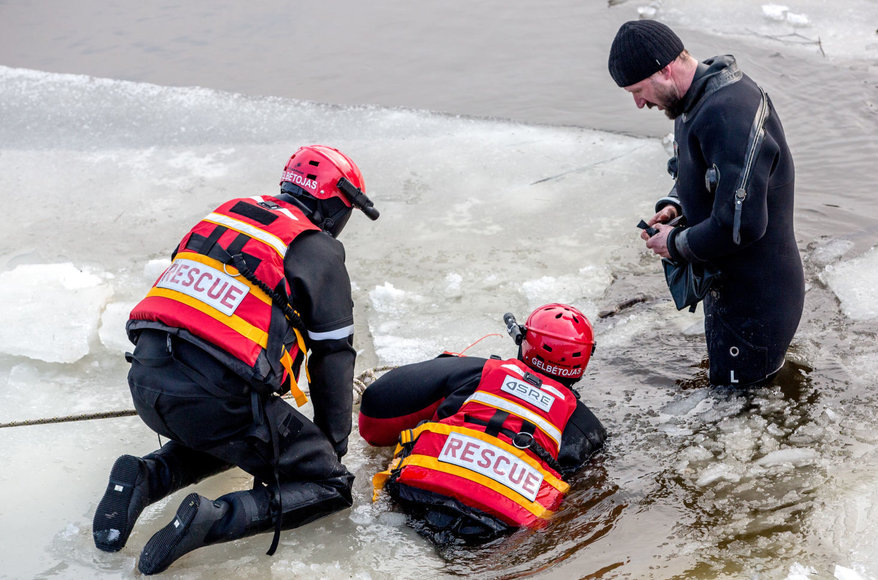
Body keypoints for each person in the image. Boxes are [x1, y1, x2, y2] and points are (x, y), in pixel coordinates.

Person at [92, 145, 380, 574]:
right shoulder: (316, 248)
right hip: (215, 398)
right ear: (336, 205)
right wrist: (329, 448)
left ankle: (147, 476)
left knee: (240, 440)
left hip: (148, 380)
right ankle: (212, 521)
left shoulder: (228, 215)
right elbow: (333, 355)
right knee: (329, 485)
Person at [608, 20, 804, 387]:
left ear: (665, 69)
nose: (638, 103)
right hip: (730, 289)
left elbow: (742, 224)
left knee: (742, 411)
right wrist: (676, 206)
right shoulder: (693, 102)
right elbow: (700, 172)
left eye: (638, 90)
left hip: (757, 300)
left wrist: (675, 244)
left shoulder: (730, 112)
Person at [358, 304, 607, 544]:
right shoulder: (588, 430)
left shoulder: (476, 371)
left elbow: (375, 413)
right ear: (582, 362)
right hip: (498, 536)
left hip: (410, 501)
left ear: (524, 341)